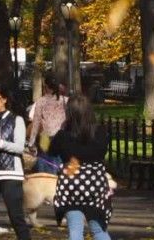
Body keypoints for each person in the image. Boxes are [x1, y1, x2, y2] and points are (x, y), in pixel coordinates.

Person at [49, 95, 112, 240]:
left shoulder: (63, 135)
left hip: (71, 185)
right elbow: (103, 151)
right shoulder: (100, 132)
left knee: (75, 229)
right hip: (95, 184)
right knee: (98, 229)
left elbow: (52, 151)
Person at [0, 84, 31, 240]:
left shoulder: (16, 120)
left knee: (16, 216)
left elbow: (19, 147)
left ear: (4, 99)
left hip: (11, 173)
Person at [28, 72, 69, 174]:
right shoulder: (66, 101)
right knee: (60, 163)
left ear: (45, 86)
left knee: (45, 164)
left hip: (45, 137)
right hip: (62, 137)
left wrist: (31, 143)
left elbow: (36, 124)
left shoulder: (41, 101)